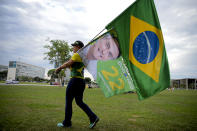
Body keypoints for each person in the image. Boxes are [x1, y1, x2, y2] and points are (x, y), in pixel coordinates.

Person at [55, 40, 99, 129]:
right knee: (79, 102)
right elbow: (71, 62)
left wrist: (59, 68)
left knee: (68, 102)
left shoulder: (77, 54)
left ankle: (67, 123)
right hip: (81, 82)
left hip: (74, 81)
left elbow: (69, 63)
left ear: (79, 47)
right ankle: (93, 117)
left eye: (74, 46)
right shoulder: (84, 57)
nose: (73, 48)